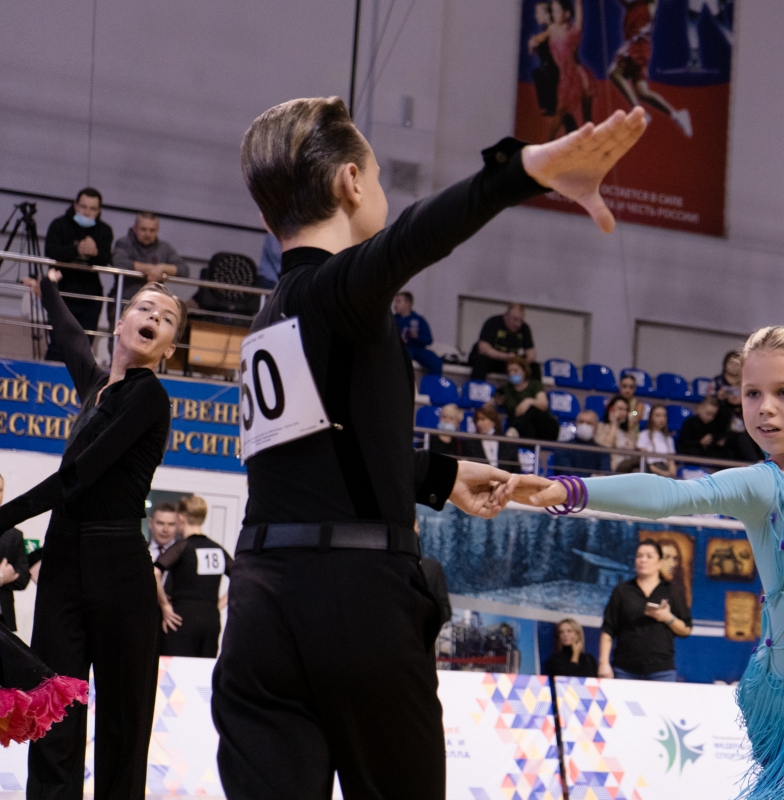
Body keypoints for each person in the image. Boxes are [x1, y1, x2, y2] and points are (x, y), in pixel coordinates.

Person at [211, 96, 646, 800]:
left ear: (267, 218)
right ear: (351, 182)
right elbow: (416, 236)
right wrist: (525, 170)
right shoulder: (335, 290)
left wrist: (439, 476)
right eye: (380, 174)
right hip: (355, 602)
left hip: (258, 605)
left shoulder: (269, 318)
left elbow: (320, 463)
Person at [515, 324, 784, 800]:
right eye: (752, 393)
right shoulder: (763, 484)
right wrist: (567, 489)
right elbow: (669, 494)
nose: (764, 407)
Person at [10, 267, 186, 799]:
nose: (154, 317)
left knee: (122, 721)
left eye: (166, 318)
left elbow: (78, 476)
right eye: (144, 308)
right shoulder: (95, 388)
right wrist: (48, 287)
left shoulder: (149, 397)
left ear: (169, 348)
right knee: (55, 704)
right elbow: (70, 339)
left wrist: (3, 515)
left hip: (118, 564)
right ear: (120, 322)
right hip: (64, 561)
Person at [596, 540, 691, 681]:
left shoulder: (673, 592)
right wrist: (603, 663)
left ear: (659, 562)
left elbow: (686, 630)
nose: (643, 560)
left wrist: (668, 618)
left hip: (661, 671)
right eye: (639, 556)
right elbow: (608, 630)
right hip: (624, 670)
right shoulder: (622, 591)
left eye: (649, 556)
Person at [154, 496, 232, 658]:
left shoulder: (182, 547)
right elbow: (239, 577)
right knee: (205, 668)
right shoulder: (217, 550)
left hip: (181, 619)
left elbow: (155, 572)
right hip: (211, 620)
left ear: (181, 517)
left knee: (177, 668)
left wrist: (165, 605)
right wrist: (218, 604)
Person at [42, 188, 113, 360]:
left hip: (90, 296)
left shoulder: (104, 230)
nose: (87, 212)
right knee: (58, 345)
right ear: (75, 205)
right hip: (62, 292)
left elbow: (106, 259)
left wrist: (95, 253)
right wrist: (76, 249)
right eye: (83, 207)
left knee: (83, 348)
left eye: (92, 209)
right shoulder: (59, 224)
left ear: (99, 210)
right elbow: (51, 251)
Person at [609, 0, 693, 137]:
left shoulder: (648, 4)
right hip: (641, 47)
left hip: (637, 46)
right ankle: (677, 115)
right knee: (642, 92)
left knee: (614, 72)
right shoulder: (634, 5)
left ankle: (638, 112)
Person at [108, 212, 187, 326]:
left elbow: (184, 270)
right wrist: (151, 269)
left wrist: (162, 268)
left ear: (157, 230)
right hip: (124, 305)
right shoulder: (124, 243)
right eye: (143, 229)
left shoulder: (164, 248)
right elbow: (118, 262)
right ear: (135, 228)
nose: (147, 234)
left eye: (152, 230)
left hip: (154, 309)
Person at [537, 0, 593, 140]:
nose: (554, 14)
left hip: (579, 76)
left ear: (567, 14)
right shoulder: (552, 29)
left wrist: (578, 3)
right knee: (560, 112)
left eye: (557, 11)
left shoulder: (573, 32)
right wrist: (534, 42)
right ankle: (548, 144)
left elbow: (579, 19)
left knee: (586, 116)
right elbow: (540, 38)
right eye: (553, 11)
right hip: (565, 77)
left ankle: (591, 144)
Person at [491, 356, 559, 441]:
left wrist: (528, 401)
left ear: (524, 371)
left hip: (543, 427)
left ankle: (515, 429)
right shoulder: (505, 389)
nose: (512, 373)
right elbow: (488, 405)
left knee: (531, 409)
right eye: (509, 371)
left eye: (515, 370)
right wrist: (496, 403)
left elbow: (543, 405)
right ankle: (516, 430)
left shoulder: (535, 385)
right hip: (525, 431)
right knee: (527, 427)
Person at [468, 303, 538, 380]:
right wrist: (506, 356)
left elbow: (532, 354)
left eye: (521, 320)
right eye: (515, 319)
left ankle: (535, 388)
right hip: (492, 360)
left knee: (534, 366)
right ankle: (477, 385)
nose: (518, 324)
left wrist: (520, 361)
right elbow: (483, 349)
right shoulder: (493, 322)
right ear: (506, 316)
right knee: (481, 360)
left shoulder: (524, 328)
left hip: (509, 363)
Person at [0, 474, 31, 633]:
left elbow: (23, 578)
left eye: (0, 490)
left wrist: (7, 576)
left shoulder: (14, 535)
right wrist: (1, 577)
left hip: (5, 622)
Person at [392, 291, 442, 376]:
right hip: (402, 348)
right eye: (395, 302)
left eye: (398, 302)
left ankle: (431, 383)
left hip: (418, 348)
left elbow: (429, 340)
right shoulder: (393, 320)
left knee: (436, 361)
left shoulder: (419, 320)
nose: (395, 305)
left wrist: (417, 336)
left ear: (407, 303)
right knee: (404, 357)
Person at [677, 394, 730, 461]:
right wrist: (700, 442)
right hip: (691, 450)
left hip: (707, 452)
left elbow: (718, 437)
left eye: (713, 415)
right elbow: (684, 442)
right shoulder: (689, 422)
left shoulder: (714, 425)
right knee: (694, 452)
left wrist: (718, 441)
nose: (710, 418)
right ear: (700, 409)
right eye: (708, 413)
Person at [554, 409, 606, 476]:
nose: (584, 425)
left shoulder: (602, 452)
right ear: (576, 424)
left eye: (589, 423)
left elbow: (605, 474)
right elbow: (567, 473)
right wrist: (592, 476)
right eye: (581, 422)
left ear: (596, 428)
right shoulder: (563, 448)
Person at [595, 396, 639, 472]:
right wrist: (614, 424)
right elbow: (605, 447)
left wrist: (631, 449)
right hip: (613, 467)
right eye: (620, 409)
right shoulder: (601, 427)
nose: (624, 413)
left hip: (629, 467)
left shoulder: (629, 433)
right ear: (611, 409)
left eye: (626, 410)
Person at [473, 406, 521, 473]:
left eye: (483, 419)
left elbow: (516, 468)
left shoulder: (507, 443)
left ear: (493, 422)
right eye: (477, 420)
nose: (479, 423)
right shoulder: (472, 444)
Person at [637, 404, 676, 478]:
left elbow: (671, 462)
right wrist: (663, 473)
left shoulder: (669, 439)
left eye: (664, 416)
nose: (662, 419)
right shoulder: (644, 435)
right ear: (651, 417)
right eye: (658, 415)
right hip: (650, 472)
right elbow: (645, 461)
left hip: (665, 469)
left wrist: (671, 472)